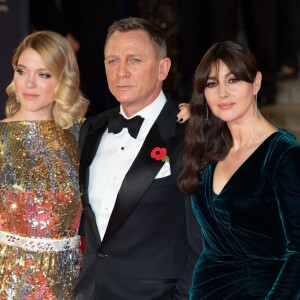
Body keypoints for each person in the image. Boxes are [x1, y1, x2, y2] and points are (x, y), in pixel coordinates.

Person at [75, 17, 201, 300]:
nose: (121, 72)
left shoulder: (191, 134)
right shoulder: (90, 129)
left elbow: (203, 243)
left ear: (163, 68)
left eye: (134, 60)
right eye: (112, 61)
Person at [177, 40, 300, 299]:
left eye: (233, 81)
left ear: (256, 83)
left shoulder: (283, 155)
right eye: (212, 84)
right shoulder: (208, 149)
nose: (222, 93)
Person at [0, 30, 89, 299]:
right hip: (9, 284)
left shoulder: (82, 136)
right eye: (22, 71)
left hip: (71, 284)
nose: (29, 84)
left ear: (63, 79)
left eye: (44, 74)